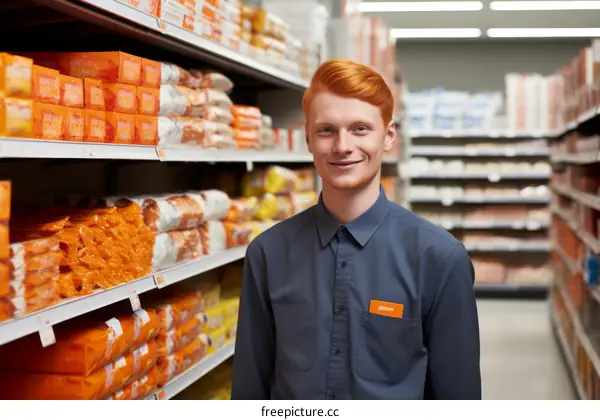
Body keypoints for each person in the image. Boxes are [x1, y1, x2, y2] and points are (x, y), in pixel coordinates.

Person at [230, 58, 481, 400]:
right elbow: (249, 387)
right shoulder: (268, 253)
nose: (342, 146)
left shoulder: (439, 258)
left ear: (389, 135)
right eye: (326, 130)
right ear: (307, 137)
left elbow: (458, 398)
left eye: (360, 128)